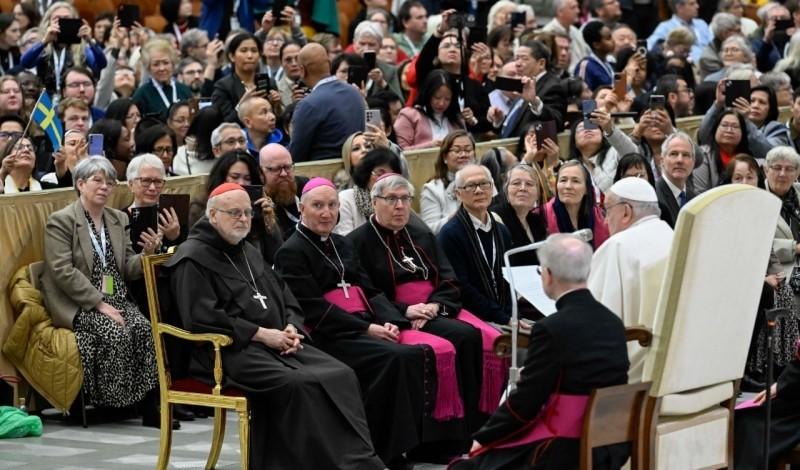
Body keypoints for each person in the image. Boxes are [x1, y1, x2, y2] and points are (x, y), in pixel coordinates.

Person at [165, 182, 385, 470]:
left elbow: (284, 294)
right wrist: (260, 334)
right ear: (213, 215)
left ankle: (356, 462)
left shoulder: (247, 250)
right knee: (298, 385)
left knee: (341, 373)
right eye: (234, 213)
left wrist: (292, 325)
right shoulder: (192, 257)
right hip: (227, 351)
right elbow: (201, 318)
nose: (243, 219)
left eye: (246, 212)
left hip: (275, 341)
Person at [274, 177, 462, 467]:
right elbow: (312, 308)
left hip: (361, 325)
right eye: (318, 206)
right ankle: (384, 452)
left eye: (332, 205)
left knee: (410, 355)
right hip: (329, 334)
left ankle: (408, 446)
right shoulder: (291, 251)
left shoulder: (341, 243)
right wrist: (366, 328)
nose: (326, 213)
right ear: (302, 208)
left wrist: (390, 321)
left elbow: (369, 290)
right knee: (394, 359)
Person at [452, 234, 629, 470]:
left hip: (567, 449)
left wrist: (484, 437)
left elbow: (526, 401)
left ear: (547, 274)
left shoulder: (551, 329)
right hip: (610, 446)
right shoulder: (613, 322)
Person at [348, 173, 504, 430]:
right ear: (374, 202)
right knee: (463, 336)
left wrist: (435, 306)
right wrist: (405, 311)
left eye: (405, 199)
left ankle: (488, 421)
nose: (400, 206)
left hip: (434, 307)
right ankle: (462, 428)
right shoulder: (356, 242)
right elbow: (366, 291)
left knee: (489, 337)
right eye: (391, 199)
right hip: (400, 314)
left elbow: (449, 277)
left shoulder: (421, 233)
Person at [39, 157, 163, 427]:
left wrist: (147, 255)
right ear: (80, 184)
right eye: (97, 180)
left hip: (115, 296)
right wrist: (98, 304)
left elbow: (127, 269)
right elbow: (62, 271)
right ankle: (113, 402)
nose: (105, 187)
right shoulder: (61, 221)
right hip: (79, 302)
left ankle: (148, 405)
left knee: (144, 329)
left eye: (109, 182)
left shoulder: (117, 219)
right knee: (114, 330)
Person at [588, 177, 673, 380]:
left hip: (630, 380)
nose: (605, 220)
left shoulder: (618, 246)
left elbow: (593, 319)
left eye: (606, 210)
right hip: (671, 372)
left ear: (626, 212)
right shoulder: (673, 236)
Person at [438, 164, 513, 325]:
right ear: (458, 194)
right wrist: (503, 318)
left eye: (484, 184)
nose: (479, 190)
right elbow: (461, 288)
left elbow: (509, 279)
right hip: (472, 316)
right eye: (471, 186)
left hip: (506, 313)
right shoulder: (450, 234)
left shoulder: (502, 230)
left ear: (492, 188)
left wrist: (510, 316)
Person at [290, 43, 365, 162]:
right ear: (329, 65)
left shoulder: (308, 104)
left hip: (321, 176)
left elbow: (296, 154)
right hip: (358, 169)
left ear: (302, 71)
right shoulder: (355, 93)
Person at [19, 2, 106, 96]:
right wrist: (44, 42)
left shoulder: (82, 48)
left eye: (66, 19)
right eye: (57, 19)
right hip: (46, 101)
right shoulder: (43, 46)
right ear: (49, 23)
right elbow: (25, 63)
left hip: (73, 99)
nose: (61, 22)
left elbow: (101, 64)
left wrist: (90, 41)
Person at [543, 161, 610, 249]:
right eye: (563, 180)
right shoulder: (541, 216)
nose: (568, 186)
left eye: (575, 181)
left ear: (587, 189)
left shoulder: (601, 217)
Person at [420, 130, 477, 234]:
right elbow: (429, 230)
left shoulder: (485, 180)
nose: (463, 155)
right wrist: (458, 215)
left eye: (468, 150)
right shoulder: (432, 189)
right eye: (457, 151)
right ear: (445, 157)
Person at [336, 148, 402, 236]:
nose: (386, 180)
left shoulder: (399, 202)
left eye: (392, 175)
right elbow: (345, 242)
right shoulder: (346, 198)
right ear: (366, 173)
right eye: (380, 174)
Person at [492, 164, 549, 267]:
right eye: (516, 183)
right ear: (507, 190)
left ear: (538, 194)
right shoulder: (495, 218)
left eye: (529, 184)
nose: (522, 188)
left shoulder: (537, 221)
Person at [212, 33, 274, 123]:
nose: (249, 55)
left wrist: (277, 105)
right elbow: (224, 123)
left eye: (254, 50)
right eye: (243, 51)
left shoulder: (269, 82)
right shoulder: (223, 86)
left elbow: (279, 120)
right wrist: (242, 104)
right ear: (232, 56)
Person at [394, 70, 463, 150]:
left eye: (447, 99)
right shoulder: (409, 116)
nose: (441, 103)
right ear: (427, 94)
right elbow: (400, 150)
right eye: (437, 98)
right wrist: (430, 146)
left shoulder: (457, 119)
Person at [693, 109, 753, 193]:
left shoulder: (748, 158)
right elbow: (699, 193)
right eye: (724, 125)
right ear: (715, 129)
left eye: (735, 126)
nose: (729, 130)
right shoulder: (703, 155)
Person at [132, 37, 193, 118]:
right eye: (156, 64)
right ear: (148, 68)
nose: (162, 68)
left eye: (166, 62)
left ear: (173, 64)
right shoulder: (142, 95)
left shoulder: (184, 90)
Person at [259, 143, 309, 240]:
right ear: (261, 172)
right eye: (276, 169)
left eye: (287, 167)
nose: (284, 174)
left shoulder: (305, 187)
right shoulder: (259, 200)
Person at [647, 0, 711, 64]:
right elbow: (650, 45)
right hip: (687, 66)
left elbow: (713, 43)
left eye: (696, 3)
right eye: (692, 4)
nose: (697, 6)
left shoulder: (701, 24)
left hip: (710, 63)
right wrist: (668, 51)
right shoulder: (665, 27)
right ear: (679, 8)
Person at [656, 132, 697, 228]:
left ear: (693, 163)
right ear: (662, 161)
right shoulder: (654, 196)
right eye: (674, 154)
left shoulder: (695, 198)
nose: (680, 160)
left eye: (686, 155)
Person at [542, 0, 591, 73]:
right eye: (573, 8)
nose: (578, 11)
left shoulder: (576, 32)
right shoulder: (546, 33)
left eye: (578, 7)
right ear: (560, 12)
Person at [575, 21, 616, 91]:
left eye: (611, 36)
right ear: (596, 45)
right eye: (608, 38)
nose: (613, 41)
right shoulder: (586, 66)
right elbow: (583, 96)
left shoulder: (610, 63)